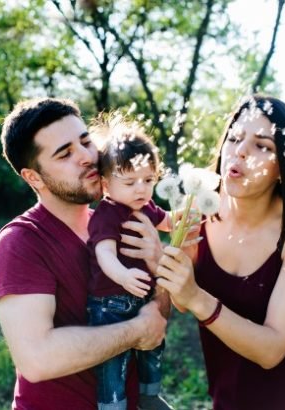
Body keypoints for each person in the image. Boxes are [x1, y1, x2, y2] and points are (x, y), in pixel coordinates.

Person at [156, 94, 285, 410]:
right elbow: (183, 300)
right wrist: (179, 267)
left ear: (283, 168)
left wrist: (197, 298)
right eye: (234, 138)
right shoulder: (197, 212)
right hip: (232, 398)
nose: (240, 151)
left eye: (263, 146)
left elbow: (271, 349)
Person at [0, 97, 168, 410]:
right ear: (33, 177)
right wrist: (135, 331)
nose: (87, 157)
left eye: (85, 141)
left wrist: (158, 267)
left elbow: (157, 320)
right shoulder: (20, 243)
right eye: (65, 154)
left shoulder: (119, 221)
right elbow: (37, 359)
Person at [86, 113, 173, 410]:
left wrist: (195, 217)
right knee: (113, 361)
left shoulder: (146, 206)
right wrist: (122, 276)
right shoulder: (107, 214)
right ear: (106, 184)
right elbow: (104, 253)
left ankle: (150, 394)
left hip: (142, 297)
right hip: (110, 302)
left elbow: (170, 222)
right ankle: (112, 405)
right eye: (131, 181)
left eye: (148, 180)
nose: (141, 189)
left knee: (153, 347)